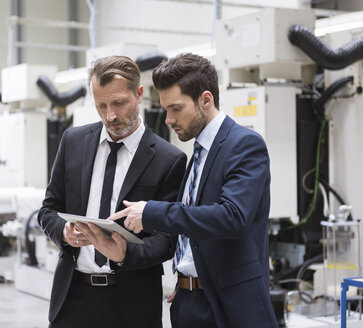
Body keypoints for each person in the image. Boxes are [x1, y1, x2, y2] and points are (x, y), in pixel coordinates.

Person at [108, 53, 278, 327]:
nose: (168, 119)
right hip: (189, 301)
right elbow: (193, 232)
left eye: (176, 108)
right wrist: (186, 281)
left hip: (230, 307)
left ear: (205, 99)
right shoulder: (197, 154)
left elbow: (232, 217)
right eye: (166, 109)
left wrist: (153, 212)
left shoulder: (244, 145)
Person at [37, 55, 187, 328]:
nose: (111, 115)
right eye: (101, 105)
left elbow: (169, 239)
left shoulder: (169, 159)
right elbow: (48, 209)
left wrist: (124, 253)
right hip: (73, 298)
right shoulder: (73, 142)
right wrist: (64, 233)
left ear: (139, 94)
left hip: (132, 304)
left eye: (119, 103)